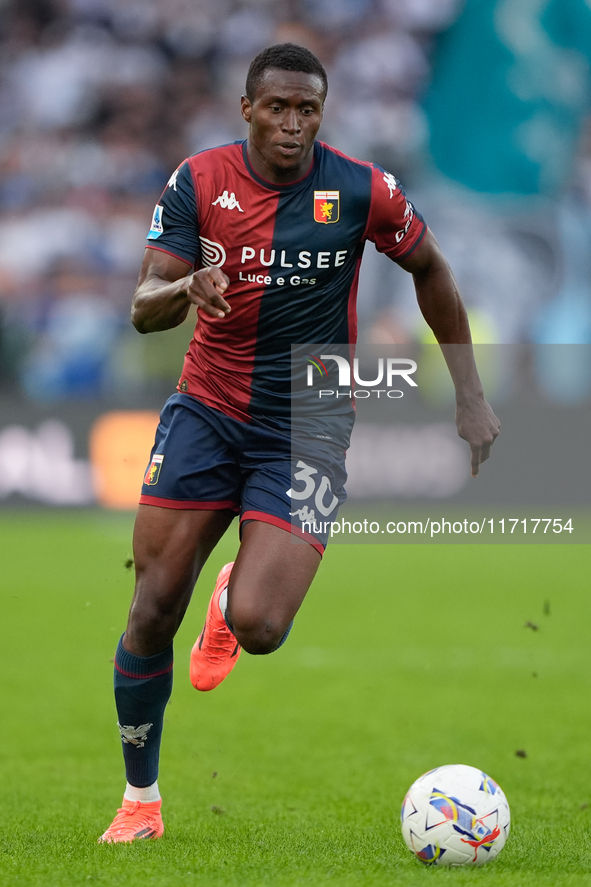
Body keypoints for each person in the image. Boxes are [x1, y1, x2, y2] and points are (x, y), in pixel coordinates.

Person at [98, 43, 500, 843]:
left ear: (323, 112)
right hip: (207, 407)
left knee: (261, 627)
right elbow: (144, 304)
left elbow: (430, 267)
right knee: (149, 610)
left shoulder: (360, 188)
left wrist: (468, 392)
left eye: (306, 110)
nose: (291, 124)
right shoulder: (199, 181)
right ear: (246, 108)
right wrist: (185, 285)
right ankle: (140, 801)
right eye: (277, 107)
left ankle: (231, 597)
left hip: (310, 414)